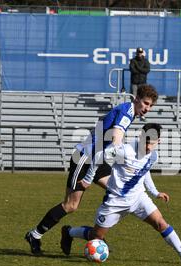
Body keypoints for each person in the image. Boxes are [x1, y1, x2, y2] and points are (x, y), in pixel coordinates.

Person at [24, 84, 159, 255]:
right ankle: (34, 235)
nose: (147, 108)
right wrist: (120, 152)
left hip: (98, 158)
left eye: (150, 106)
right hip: (84, 158)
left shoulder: (128, 111)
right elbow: (117, 134)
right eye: (146, 103)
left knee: (119, 191)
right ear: (137, 99)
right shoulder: (126, 112)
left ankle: (93, 234)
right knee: (71, 205)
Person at [60, 123, 181, 265]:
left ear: (159, 141)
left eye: (151, 144)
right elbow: (98, 157)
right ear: (140, 136)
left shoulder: (153, 156)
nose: (148, 147)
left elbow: (144, 171)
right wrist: (88, 179)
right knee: (96, 236)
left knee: (160, 223)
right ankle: (69, 232)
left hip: (138, 198)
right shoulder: (125, 151)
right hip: (115, 201)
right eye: (145, 142)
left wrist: (155, 192)